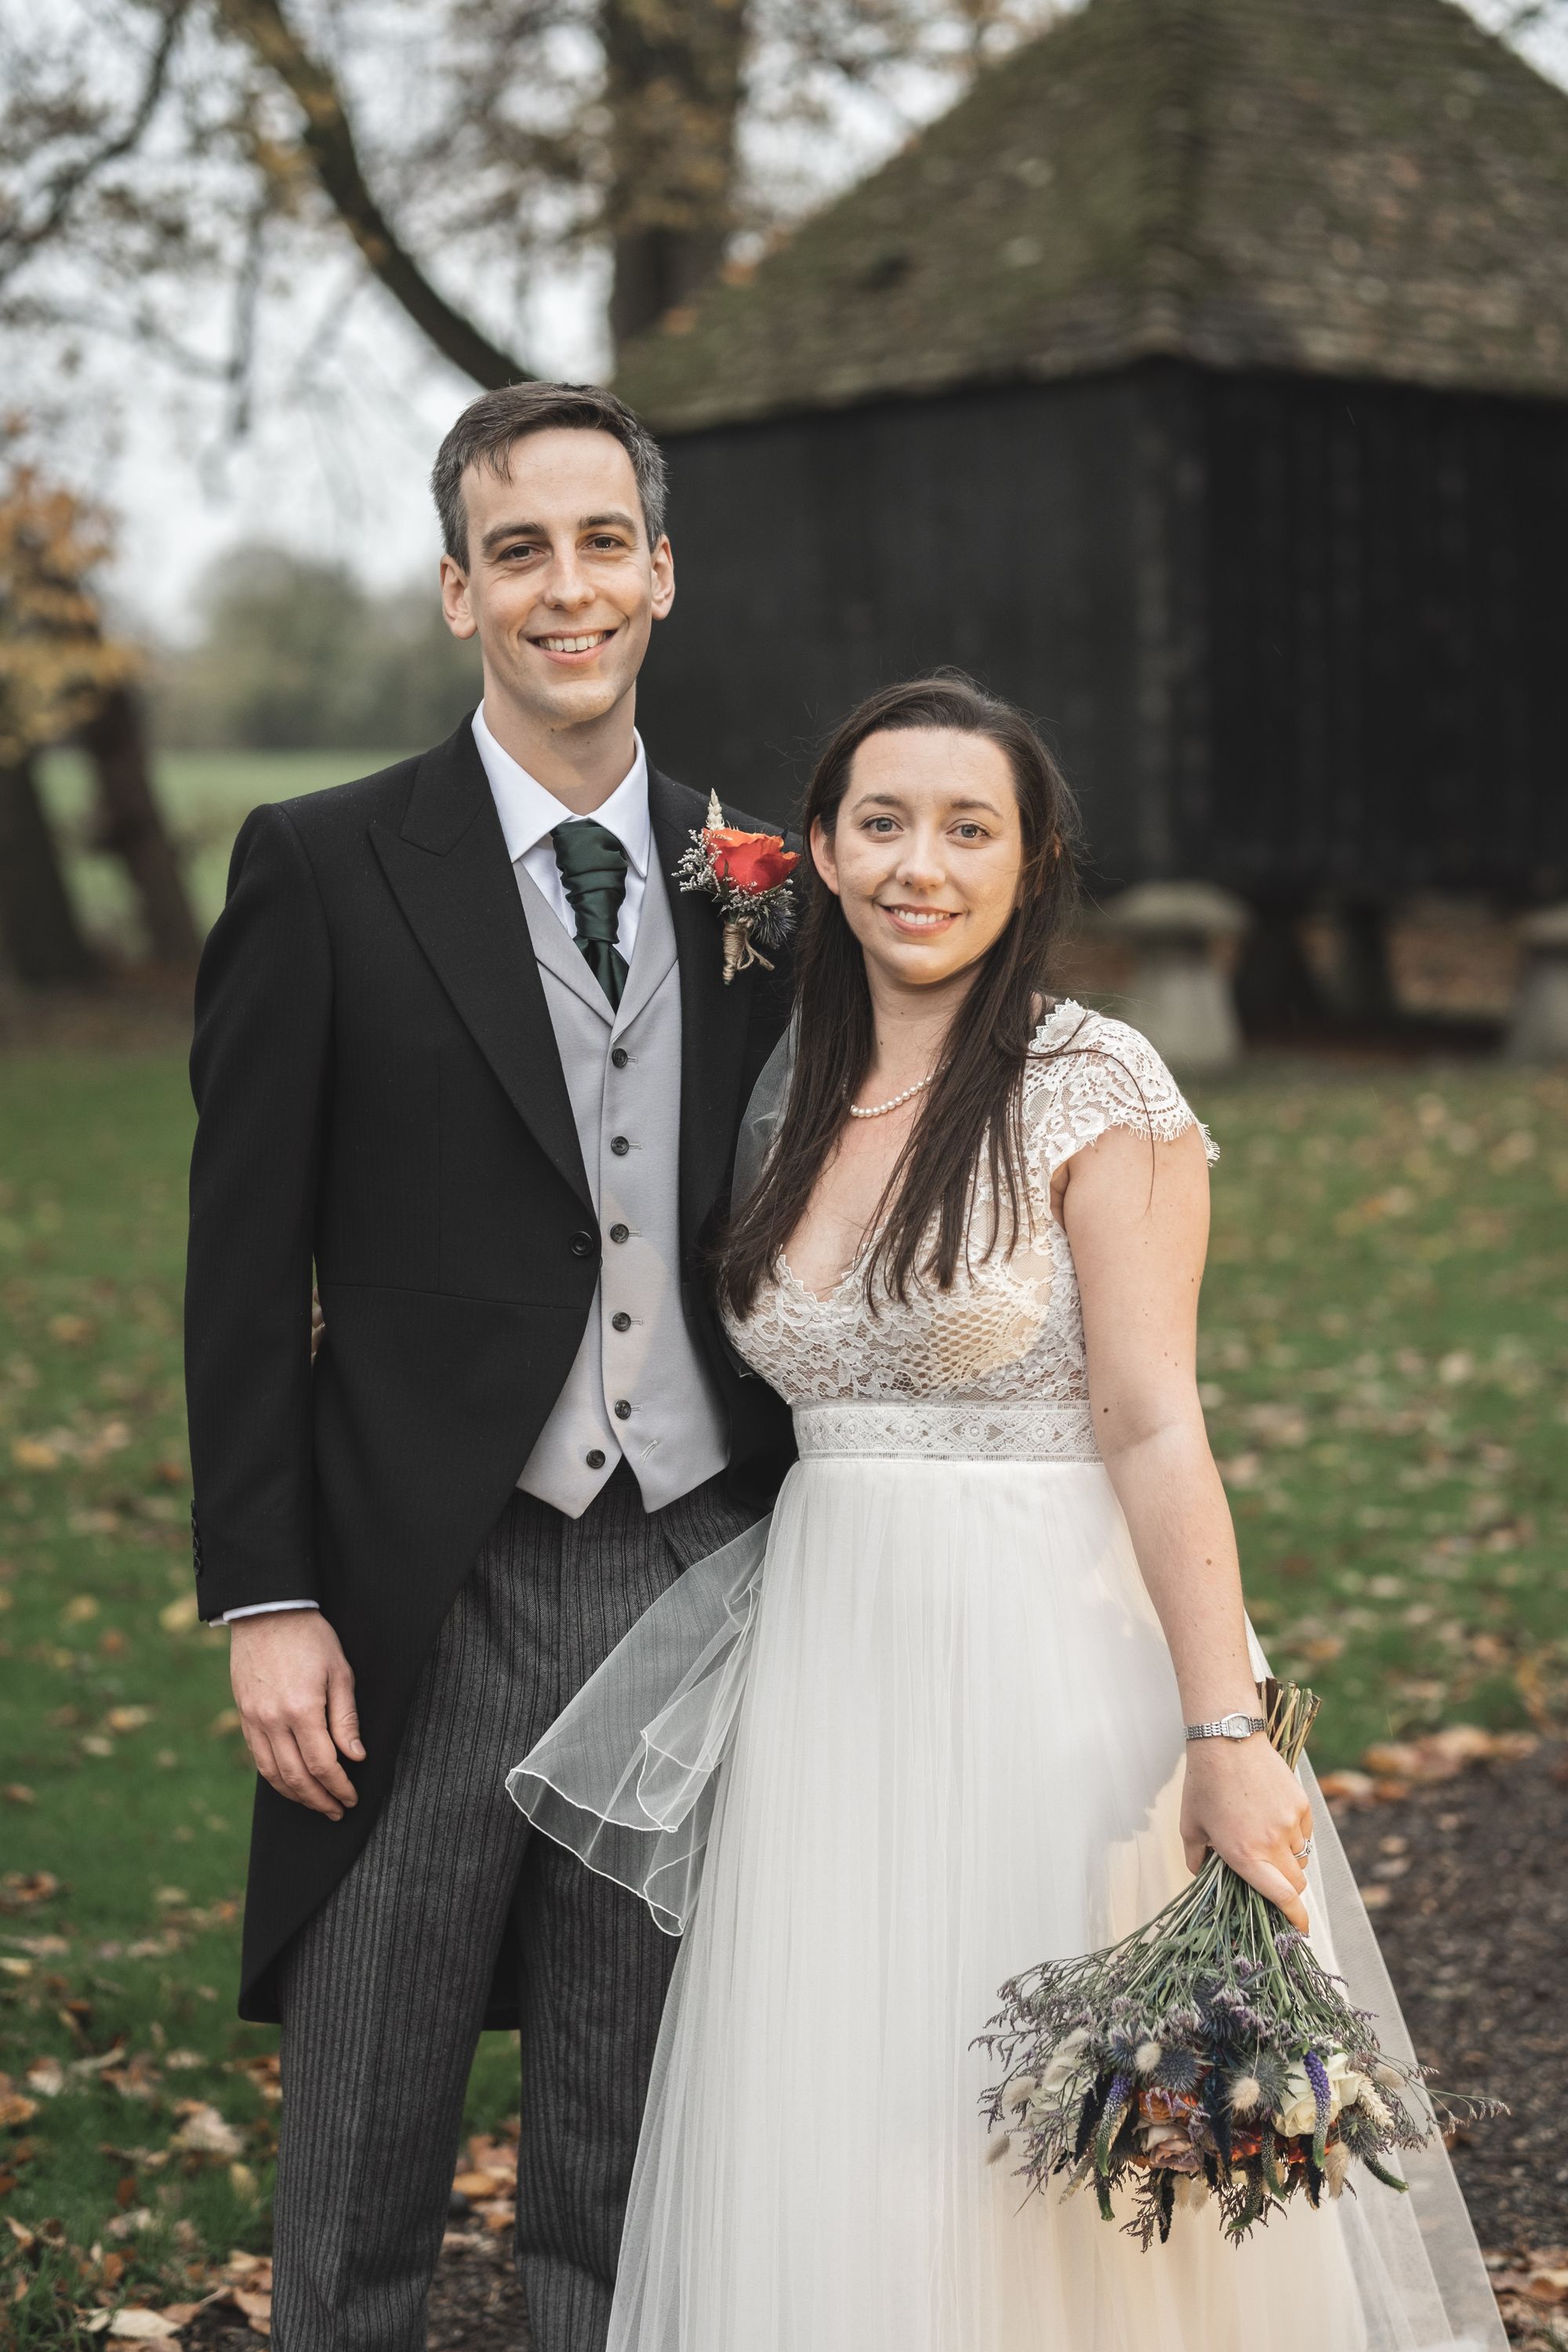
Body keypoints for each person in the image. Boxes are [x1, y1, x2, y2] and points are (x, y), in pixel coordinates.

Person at [510, 675, 1507, 2350]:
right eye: (881, 823)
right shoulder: (784, 1085)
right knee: (841, 2085)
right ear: (817, 851)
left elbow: (1153, 1416)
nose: (921, 864)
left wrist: (1223, 1725)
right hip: (830, 1670)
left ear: (1031, 861)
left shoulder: (1087, 1079)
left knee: (1051, 2126)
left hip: (1053, 1657)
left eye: (968, 829)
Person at [183, 382, 795, 2352]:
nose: (565, 586)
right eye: (517, 549)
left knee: (626, 2166)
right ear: (459, 592)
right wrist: (267, 1597)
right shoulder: (323, 864)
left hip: (691, 1575)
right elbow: (237, 1266)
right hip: (412, 1596)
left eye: (601, 540)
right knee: (362, 2147)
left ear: (661, 574)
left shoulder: (765, 884)